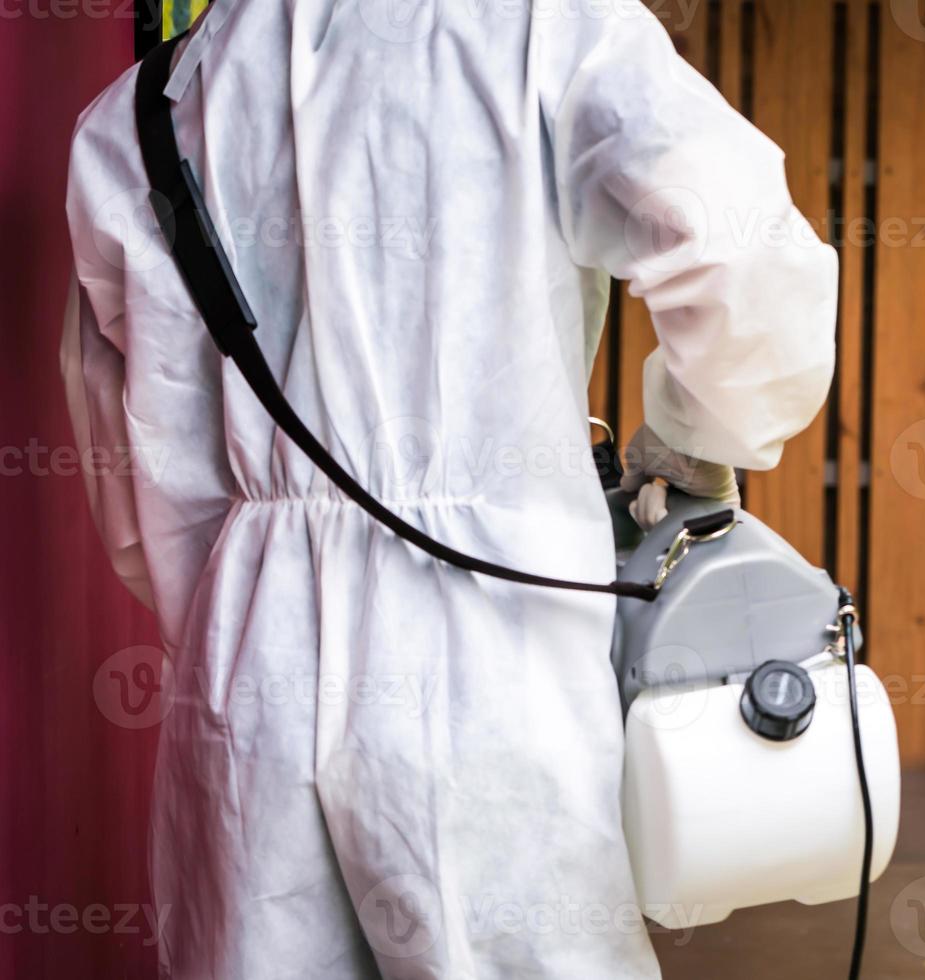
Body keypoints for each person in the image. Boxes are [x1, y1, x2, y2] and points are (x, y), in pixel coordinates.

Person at [60, 0, 837, 974]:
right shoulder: (546, 28)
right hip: (493, 652)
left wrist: (250, 604)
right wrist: (690, 436)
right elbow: (740, 248)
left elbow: (146, 470)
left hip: (251, 671)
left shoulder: (144, 116)